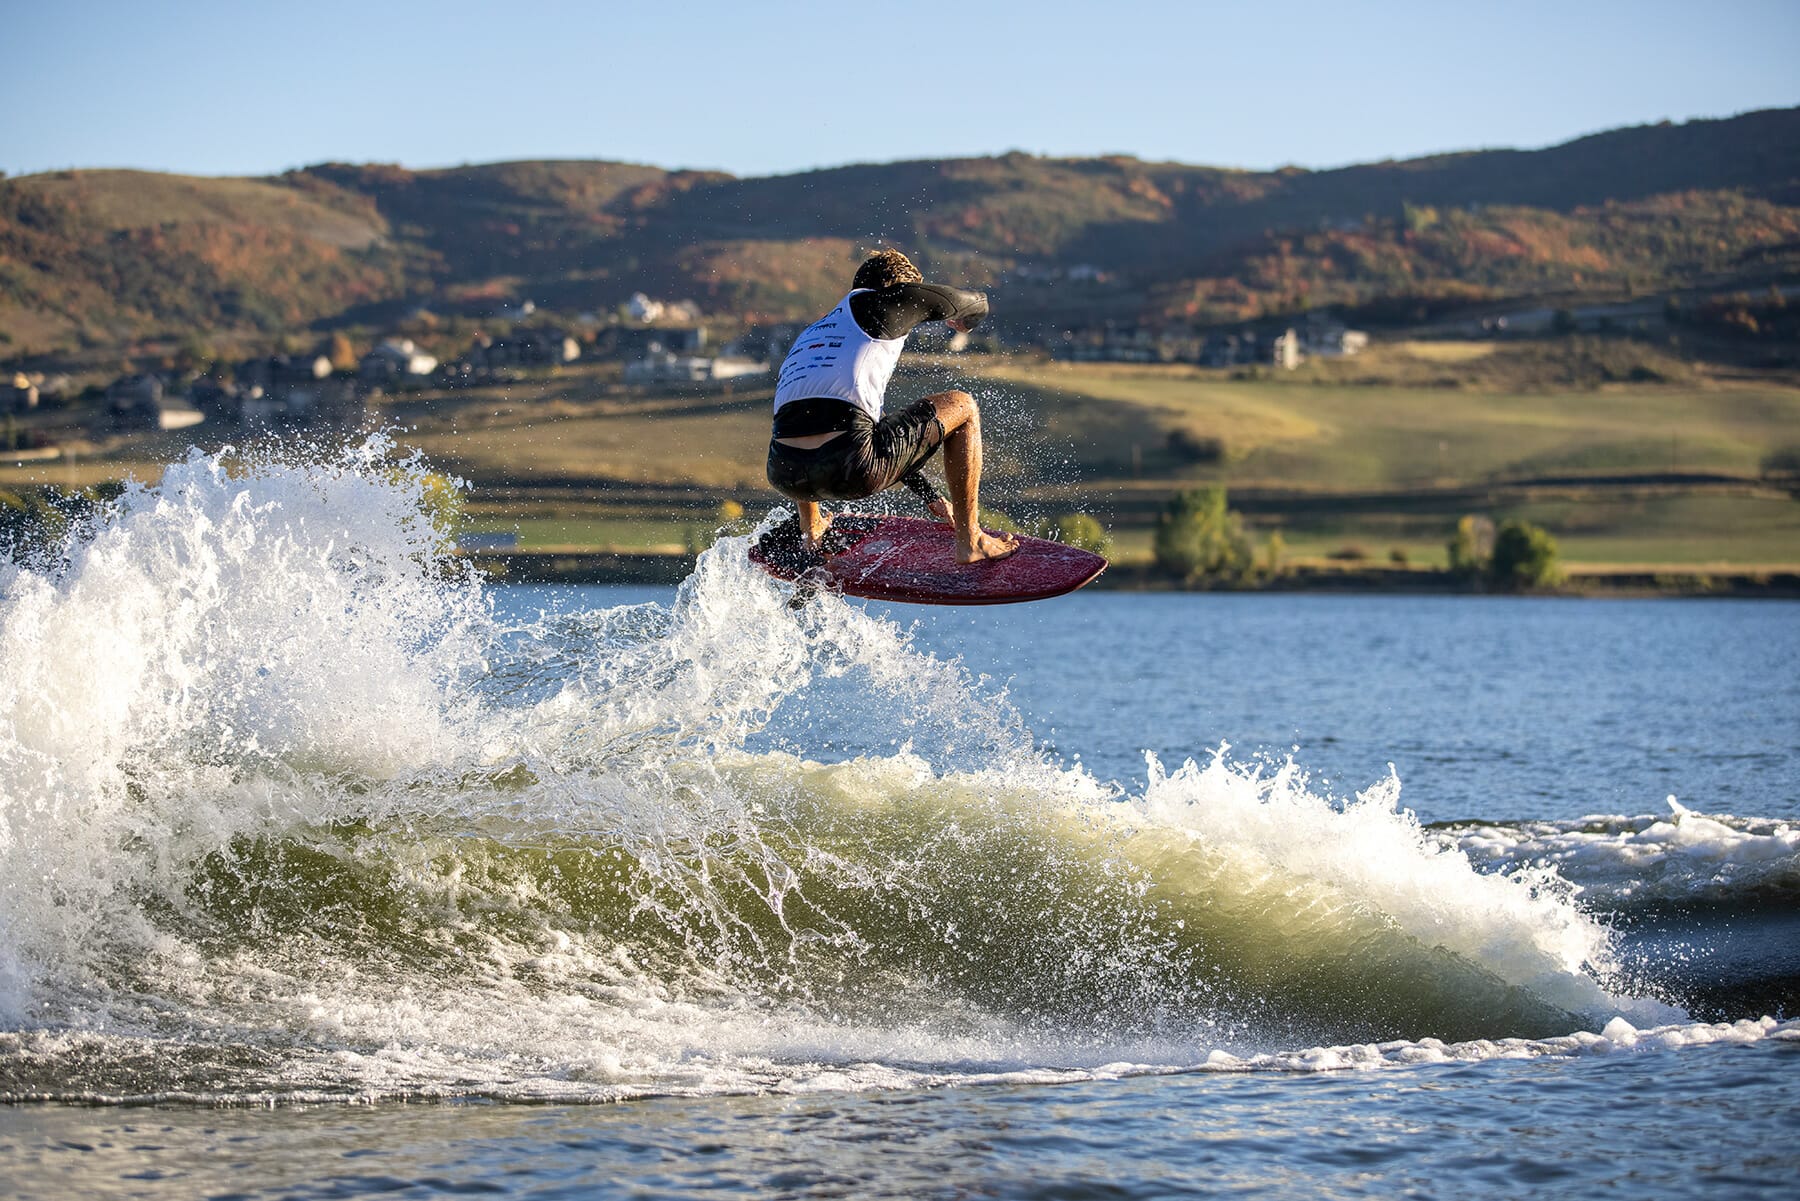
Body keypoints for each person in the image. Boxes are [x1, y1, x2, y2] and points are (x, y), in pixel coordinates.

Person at [765, 249, 1018, 563]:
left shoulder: (816, 334)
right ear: (898, 290)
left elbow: (870, 431)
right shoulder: (885, 305)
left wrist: (931, 497)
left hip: (785, 474)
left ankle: (812, 528)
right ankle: (972, 541)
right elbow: (973, 302)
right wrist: (967, 318)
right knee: (963, 406)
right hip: (852, 468)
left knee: (808, 418)